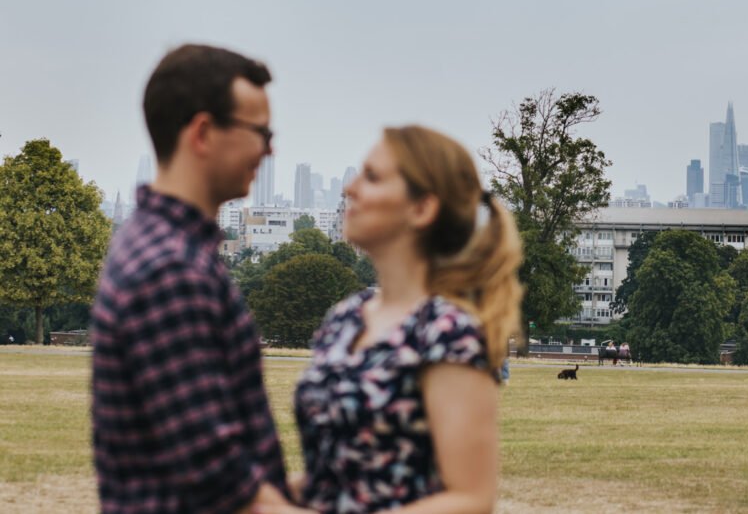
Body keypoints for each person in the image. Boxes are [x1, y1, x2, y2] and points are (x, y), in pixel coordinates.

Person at [255, 125, 522, 514]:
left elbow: (470, 500)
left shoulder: (447, 333)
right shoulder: (345, 318)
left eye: (373, 177)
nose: (350, 189)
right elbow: (340, 478)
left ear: (421, 208)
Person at [91, 44, 292, 513]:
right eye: (260, 131)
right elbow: (219, 478)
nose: (270, 148)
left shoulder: (155, 243)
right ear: (202, 132)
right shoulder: (172, 269)